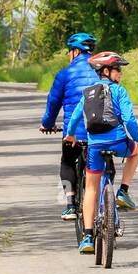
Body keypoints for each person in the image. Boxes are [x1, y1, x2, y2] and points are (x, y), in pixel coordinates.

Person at [67, 51, 138, 253]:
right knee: (134, 153)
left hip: (95, 145)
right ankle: (123, 191)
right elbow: (129, 120)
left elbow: (77, 115)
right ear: (106, 71)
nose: (120, 74)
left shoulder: (88, 92)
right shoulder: (120, 91)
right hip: (118, 142)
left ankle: (87, 238)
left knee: (91, 189)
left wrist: (70, 134)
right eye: (117, 69)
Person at [39, 32, 100, 219]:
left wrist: (47, 124)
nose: (68, 55)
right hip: (101, 131)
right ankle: (106, 198)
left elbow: (53, 104)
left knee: (67, 161)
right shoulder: (102, 71)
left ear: (75, 51)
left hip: (75, 134)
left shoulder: (65, 74)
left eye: (69, 51)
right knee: (104, 160)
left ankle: (71, 204)